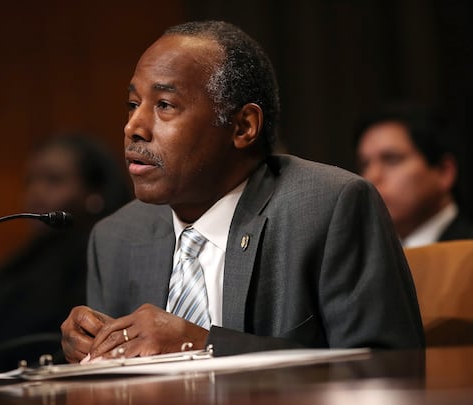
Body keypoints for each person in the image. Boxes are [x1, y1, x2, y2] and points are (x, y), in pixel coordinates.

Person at [60, 21, 424, 362]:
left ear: (242, 126)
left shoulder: (330, 208)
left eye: (165, 105)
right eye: (133, 104)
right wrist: (93, 353)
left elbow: (387, 370)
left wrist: (205, 347)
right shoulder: (115, 239)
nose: (133, 127)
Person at [0, 133, 131, 372]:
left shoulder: (104, 255)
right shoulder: (24, 259)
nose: (36, 192)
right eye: (30, 181)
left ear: (94, 194)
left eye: (53, 180)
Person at [354, 103, 473, 247]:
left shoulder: (467, 251)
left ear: (444, 172)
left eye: (392, 159)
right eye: (364, 165)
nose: (370, 177)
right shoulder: (365, 257)